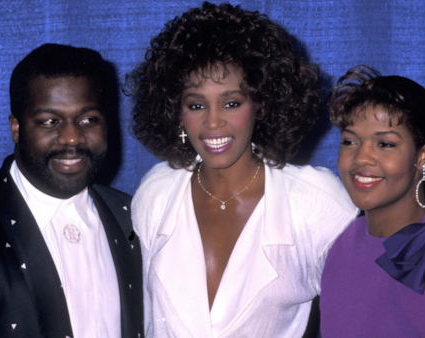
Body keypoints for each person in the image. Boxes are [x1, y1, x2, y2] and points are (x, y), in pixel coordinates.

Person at [125, 2, 358, 337]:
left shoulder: (316, 204)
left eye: (232, 103)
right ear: (176, 112)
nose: (213, 122)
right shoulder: (156, 193)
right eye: (196, 105)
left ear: (261, 105)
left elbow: (363, 317)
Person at [0, 43, 144, 338]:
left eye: (88, 120)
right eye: (49, 122)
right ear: (16, 128)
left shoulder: (132, 216)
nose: (71, 138)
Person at [319, 65, 425, 337]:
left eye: (385, 144)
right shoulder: (345, 242)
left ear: (422, 155)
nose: (361, 158)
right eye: (349, 142)